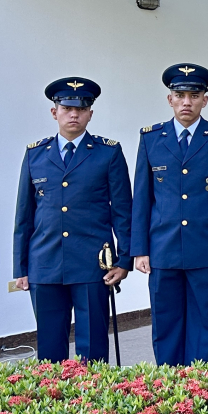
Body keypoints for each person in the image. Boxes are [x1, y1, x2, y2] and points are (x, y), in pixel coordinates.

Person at [132, 64, 208, 366]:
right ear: (170, 99)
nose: (186, 102)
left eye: (194, 95)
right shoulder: (151, 138)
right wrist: (139, 249)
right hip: (162, 249)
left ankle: (200, 389)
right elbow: (142, 199)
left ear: (204, 100)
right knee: (165, 324)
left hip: (204, 248)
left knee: (203, 325)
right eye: (179, 95)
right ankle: (169, 390)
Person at [14, 78, 131, 362]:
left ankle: (94, 403)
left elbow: (123, 211)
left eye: (82, 108)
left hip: (92, 265)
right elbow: (24, 216)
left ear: (91, 113)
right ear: (54, 112)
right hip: (45, 263)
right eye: (66, 108)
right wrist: (21, 267)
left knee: (92, 348)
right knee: (50, 348)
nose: (74, 114)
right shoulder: (35, 154)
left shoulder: (108, 153)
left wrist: (124, 260)